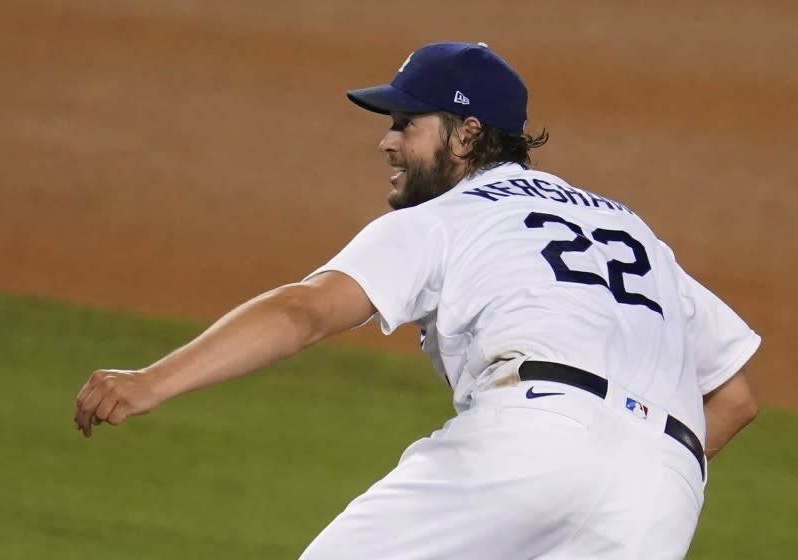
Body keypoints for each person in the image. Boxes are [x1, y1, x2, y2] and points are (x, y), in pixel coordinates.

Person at [74, 41, 761, 559]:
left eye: (407, 122)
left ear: (467, 134)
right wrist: (639, 467)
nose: (387, 139)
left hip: (533, 440)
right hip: (664, 491)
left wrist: (151, 381)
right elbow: (735, 399)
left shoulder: (452, 215)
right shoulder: (625, 225)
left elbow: (304, 311)